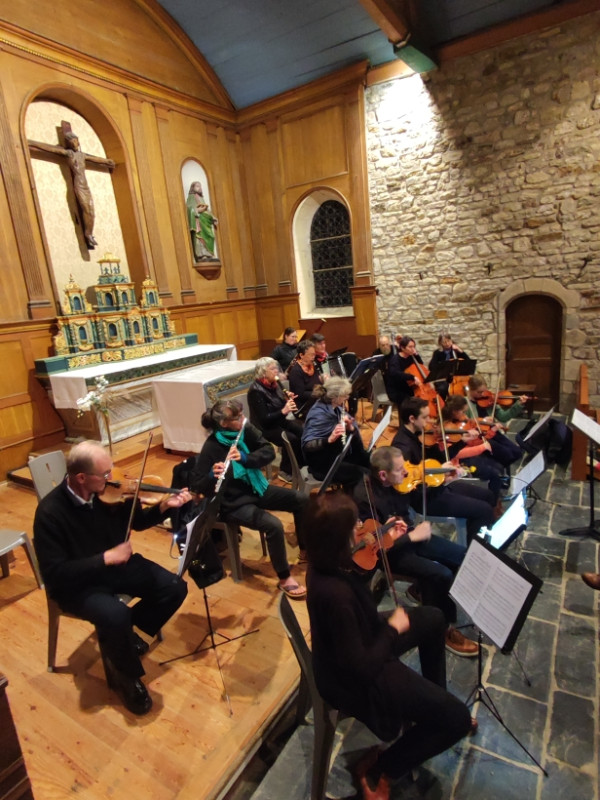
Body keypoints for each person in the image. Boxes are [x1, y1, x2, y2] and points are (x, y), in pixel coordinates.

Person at [304, 492, 473, 799]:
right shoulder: (335, 594)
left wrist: (388, 541)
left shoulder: (326, 562)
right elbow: (362, 668)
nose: (360, 527)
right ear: (336, 539)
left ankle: (433, 705)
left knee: (434, 618)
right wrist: (392, 631)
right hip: (353, 674)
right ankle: (380, 768)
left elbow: (359, 569)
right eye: (352, 525)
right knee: (457, 720)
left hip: (362, 639)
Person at [33, 441, 190, 715]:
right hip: (79, 584)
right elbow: (55, 574)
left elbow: (137, 522)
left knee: (174, 587)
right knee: (115, 615)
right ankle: (125, 677)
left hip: (116, 566)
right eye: (105, 474)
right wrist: (104, 558)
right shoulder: (50, 513)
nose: (113, 478)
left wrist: (165, 507)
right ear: (81, 477)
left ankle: (126, 639)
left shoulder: (110, 494)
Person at [353, 447, 478, 657]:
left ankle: (423, 592)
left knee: (461, 555)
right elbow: (375, 549)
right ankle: (444, 627)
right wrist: (411, 536)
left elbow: (417, 496)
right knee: (440, 574)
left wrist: (442, 477)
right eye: (400, 469)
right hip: (390, 553)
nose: (405, 473)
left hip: (410, 535)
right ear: (383, 475)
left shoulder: (398, 483)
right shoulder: (364, 498)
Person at [190, 399, 307, 598]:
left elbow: (268, 451)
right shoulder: (211, 447)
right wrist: (212, 474)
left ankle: (306, 549)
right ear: (224, 424)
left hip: (255, 489)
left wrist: (246, 459)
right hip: (231, 503)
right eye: (238, 417)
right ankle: (284, 577)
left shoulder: (245, 430)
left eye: (242, 414)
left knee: (301, 499)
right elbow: (197, 486)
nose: (244, 419)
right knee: (274, 525)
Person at [392, 397, 496, 541]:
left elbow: (440, 458)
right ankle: (472, 550)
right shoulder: (402, 448)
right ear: (412, 418)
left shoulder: (420, 435)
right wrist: (441, 475)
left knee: (488, 496)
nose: (430, 421)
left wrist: (461, 442)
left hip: (438, 486)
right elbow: (408, 486)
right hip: (427, 498)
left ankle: (478, 534)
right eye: (425, 417)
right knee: (484, 510)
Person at [301, 376, 369, 490]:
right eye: (344, 395)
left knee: (369, 460)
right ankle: (352, 502)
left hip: (335, 454)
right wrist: (328, 440)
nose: (347, 397)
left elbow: (346, 432)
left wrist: (350, 428)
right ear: (335, 397)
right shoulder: (318, 413)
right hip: (321, 464)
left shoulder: (335, 408)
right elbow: (308, 445)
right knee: (360, 473)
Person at [247, 356, 305, 482]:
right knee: (291, 438)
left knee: (301, 430)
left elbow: (276, 403)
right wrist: (284, 410)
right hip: (264, 427)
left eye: (276, 368)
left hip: (277, 421)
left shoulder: (274, 384)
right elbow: (264, 419)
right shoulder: (255, 391)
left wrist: (286, 398)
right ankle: (285, 470)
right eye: (272, 368)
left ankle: (300, 464)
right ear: (263, 372)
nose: (276, 371)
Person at [441, 395, 506, 503]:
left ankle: (495, 495)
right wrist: (482, 447)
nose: (465, 416)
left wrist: (489, 432)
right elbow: (457, 453)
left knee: (498, 465)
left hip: (468, 455)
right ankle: (493, 503)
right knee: (494, 473)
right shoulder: (447, 428)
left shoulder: (460, 423)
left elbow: (471, 442)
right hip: (461, 461)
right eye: (463, 412)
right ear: (455, 412)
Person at [466, 374, 525, 467]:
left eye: (484, 392)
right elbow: (466, 425)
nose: (482, 395)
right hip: (481, 437)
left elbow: (503, 417)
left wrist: (518, 405)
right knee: (507, 456)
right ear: (470, 389)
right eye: (479, 392)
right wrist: (483, 420)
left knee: (517, 453)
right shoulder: (465, 404)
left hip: (493, 433)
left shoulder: (489, 399)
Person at [287, 340, 323, 416]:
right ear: (301, 355)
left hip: (316, 402)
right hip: (304, 407)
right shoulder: (296, 371)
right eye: (310, 355)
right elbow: (300, 395)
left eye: (314, 354)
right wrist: (320, 393)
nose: (313, 357)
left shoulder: (313, 365)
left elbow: (319, 382)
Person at [186, 181, 218, 261]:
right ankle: (202, 255)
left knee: (211, 235)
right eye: (197, 186)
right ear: (192, 188)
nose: (199, 187)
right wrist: (197, 210)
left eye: (200, 186)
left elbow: (207, 210)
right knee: (199, 237)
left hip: (205, 221)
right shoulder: (192, 197)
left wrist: (213, 218)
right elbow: (189, 209)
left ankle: (209, 254)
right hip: (198, 221)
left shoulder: (201, 198)